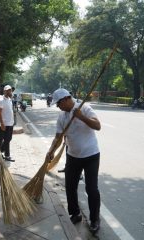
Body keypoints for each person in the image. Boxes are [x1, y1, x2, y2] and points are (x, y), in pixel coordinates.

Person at [45, 88, 101, 234]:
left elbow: (98, 126)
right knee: (70, 186)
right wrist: (51, 151)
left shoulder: (85, 108)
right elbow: (58, 137)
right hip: (73, 156)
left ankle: (94, 219)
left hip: (91, 155)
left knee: (92, 189)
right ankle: (75, 213)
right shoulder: (62, 117)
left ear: (65, 99)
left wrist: (81, 117)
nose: (58, 107)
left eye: (58, 104)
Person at [0, 85, 15, 162]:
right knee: (7, 140)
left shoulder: (10, 100)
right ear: (4, 91)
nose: (9, 92)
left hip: (10, 123)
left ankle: (0, 150)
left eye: (10, 90)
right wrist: (2, 123)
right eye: (7, 90)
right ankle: (7, 155)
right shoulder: (1, 100)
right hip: (5, 123)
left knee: (9, 139)